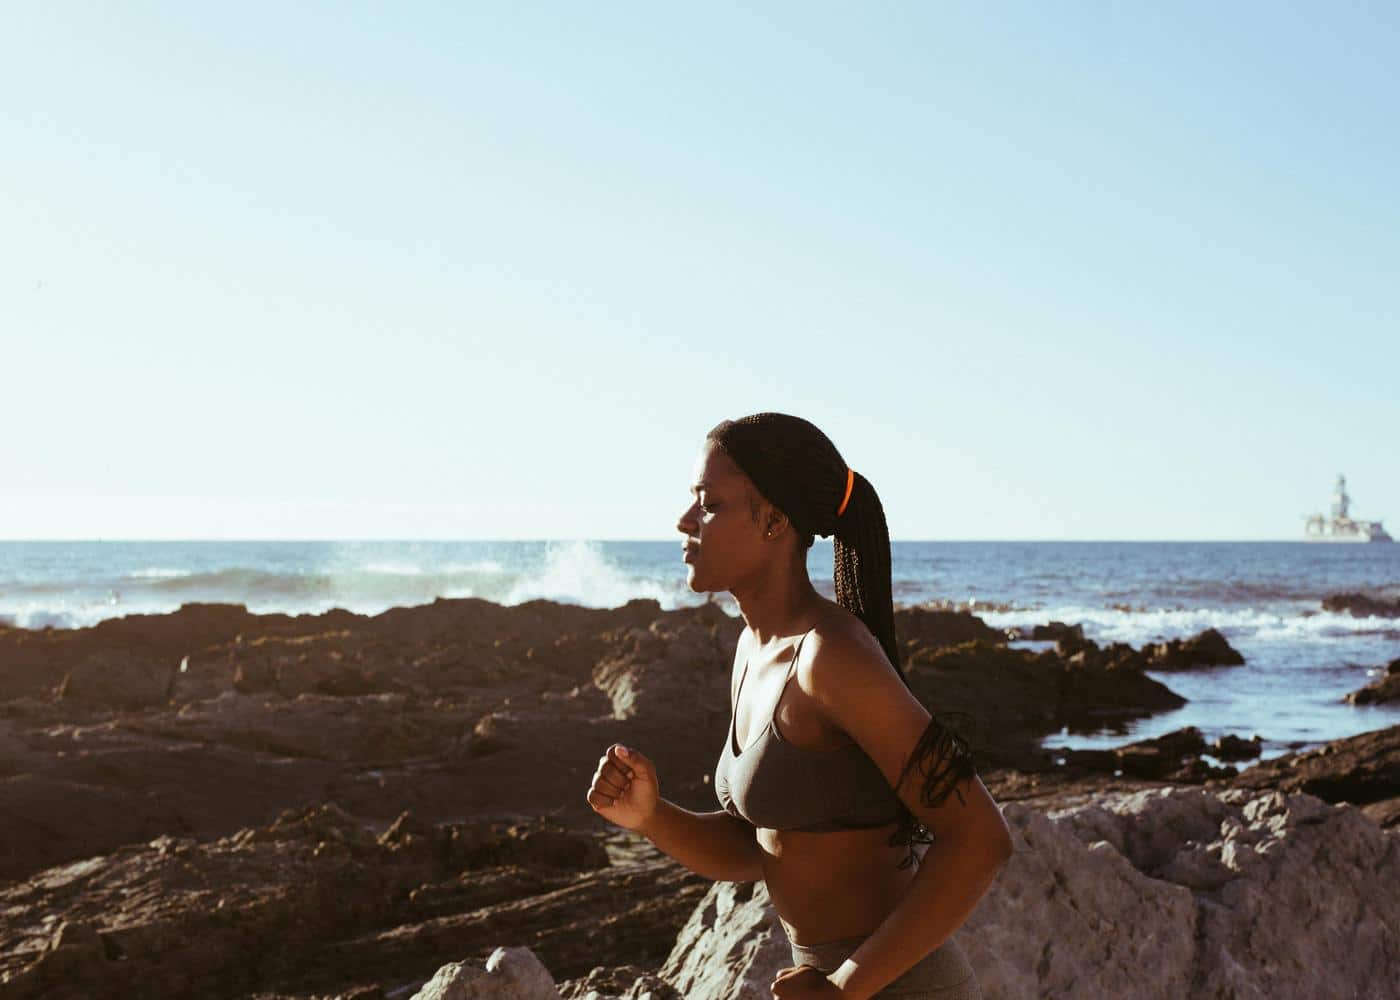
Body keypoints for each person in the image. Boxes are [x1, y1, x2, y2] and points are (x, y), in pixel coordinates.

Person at [587, 413, 1014, 999]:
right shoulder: (753, 649)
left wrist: (843, 987)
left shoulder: (830, 656)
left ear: (774, 521)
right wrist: (652, 815)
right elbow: (758, 844)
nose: (685, 522)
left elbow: (980, 836)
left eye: (709, 505)